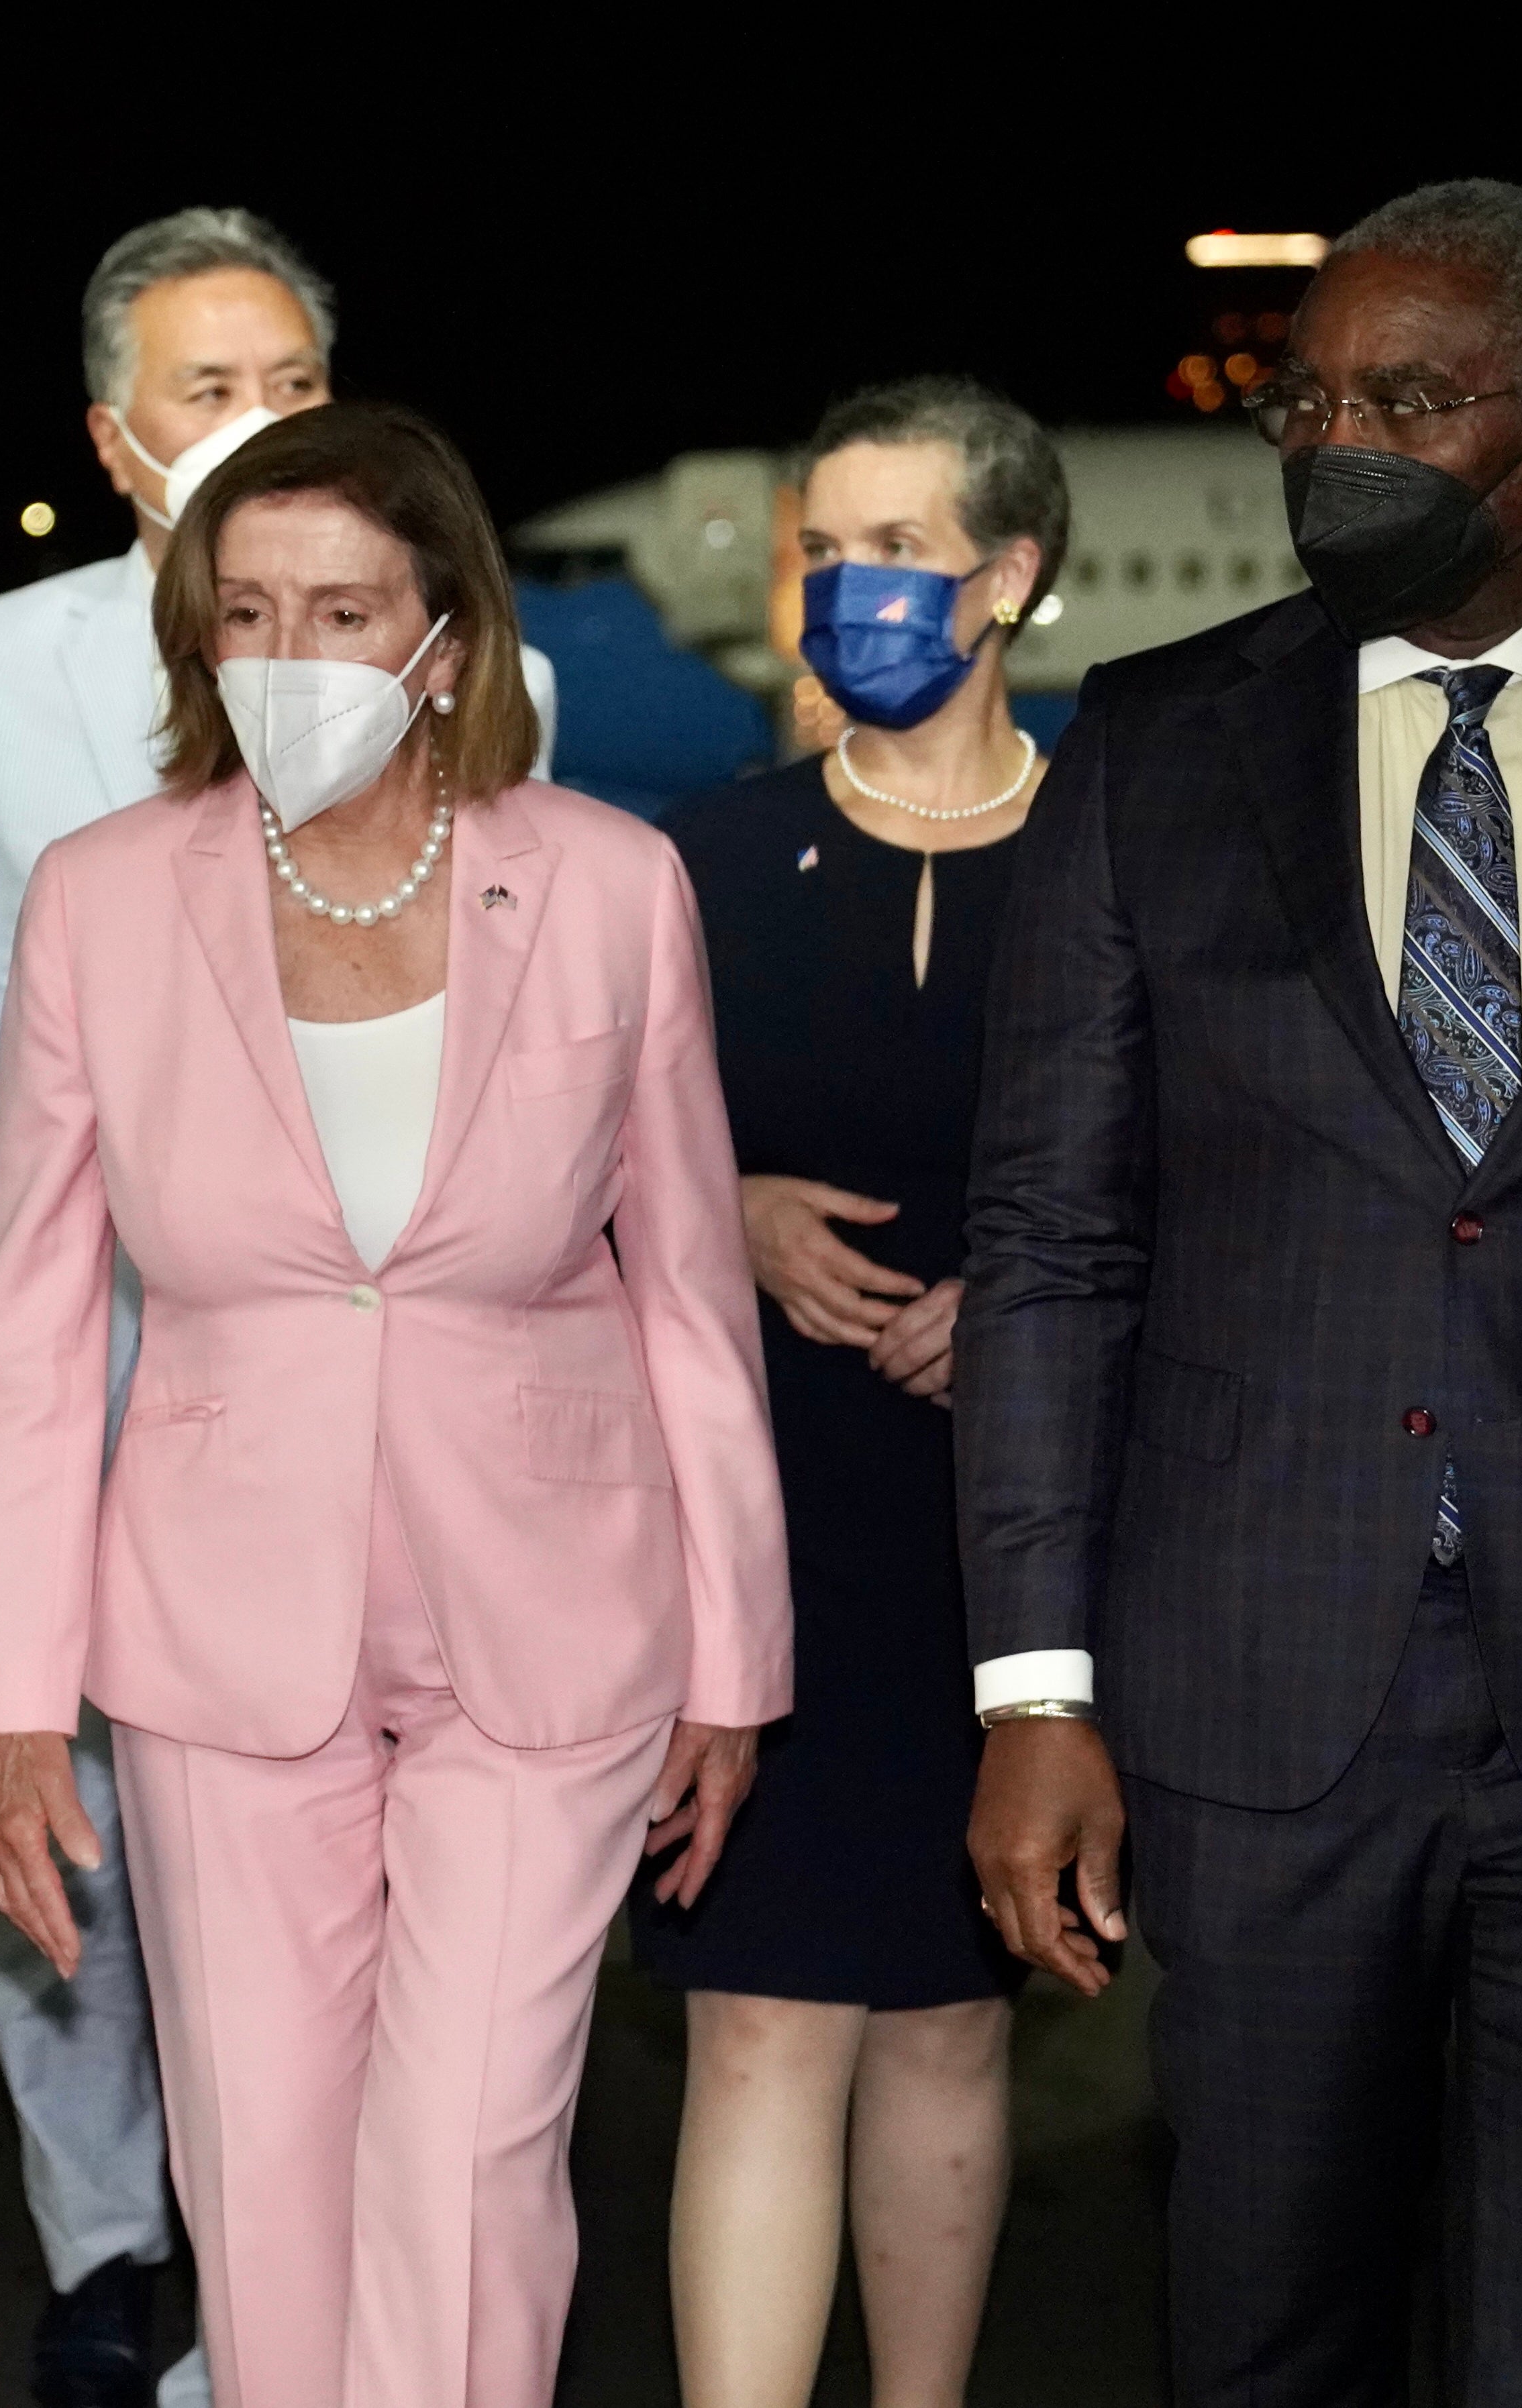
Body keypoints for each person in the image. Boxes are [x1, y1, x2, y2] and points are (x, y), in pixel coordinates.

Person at [958, 180, 1522, 2405]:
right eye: (1312, 401)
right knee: (1265, 2331)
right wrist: (1034, 1682)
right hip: (1259, 1698)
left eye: (1412, 399)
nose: (1340, 444)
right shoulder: (1155, 746)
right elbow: (1056, 1243)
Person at [0, 401, 793, 2408]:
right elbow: (35, 1320)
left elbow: (687, 1280)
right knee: (259, 2149)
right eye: (244, 610)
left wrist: (736, 1653)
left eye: (342, 610)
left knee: (473, 2140)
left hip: (555, 1613)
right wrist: (9, 1698)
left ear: (447, 640)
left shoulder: (606, 884)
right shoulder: (102, 894)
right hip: (217, 1629)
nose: (286, 655)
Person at [0, 203, 340, 2408]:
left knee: (311, 1842)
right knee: (84, 1842)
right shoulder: (2, 658)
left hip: (347, 1376)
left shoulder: (439, 649)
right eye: (207, 392)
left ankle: (283, 2262)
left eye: (294, 389)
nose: (255, 431)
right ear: (114, 434)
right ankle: (104, 2232)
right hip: (90, 1358)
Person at [632, 378, 1065, 2408]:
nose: (846, 585)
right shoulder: (693, 865)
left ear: (1012, 577)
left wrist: (1036, 1306)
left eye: (898, 547)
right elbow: (564, 1167)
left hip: (1019, 1524)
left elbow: (1216, 1186)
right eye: (824, 544)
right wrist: (711, 1209)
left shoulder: (1120, 866)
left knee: (954, 2019)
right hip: (755, 1515)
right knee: (759, 2014)